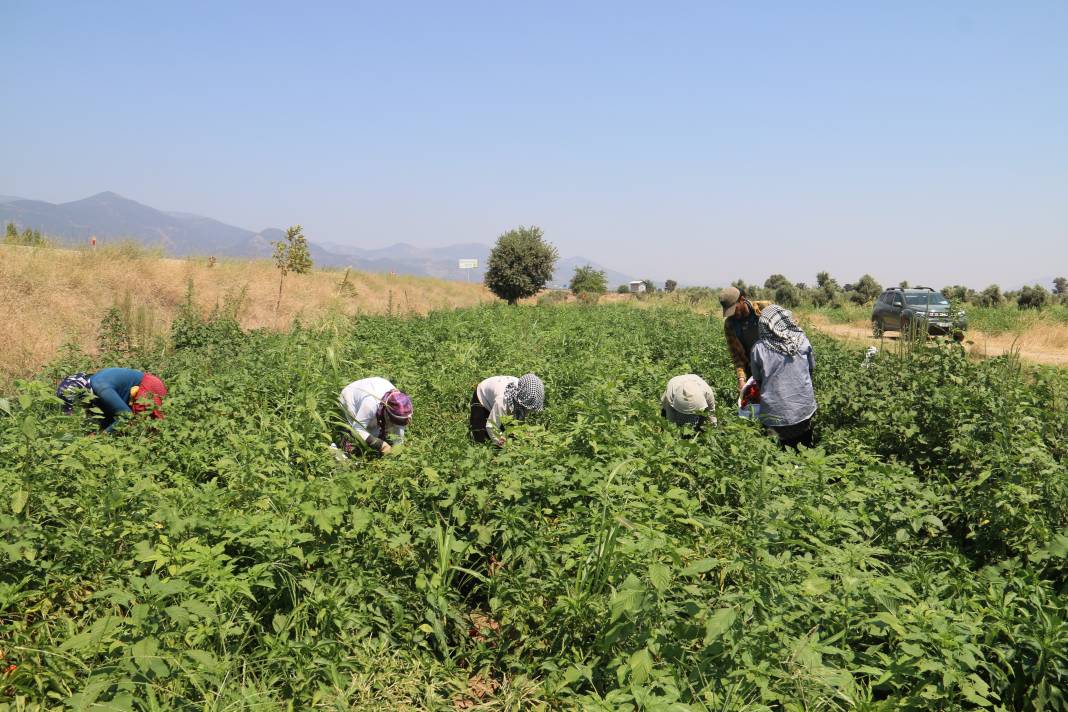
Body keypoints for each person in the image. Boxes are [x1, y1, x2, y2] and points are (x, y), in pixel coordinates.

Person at [749, 305, 817, 449]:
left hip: (774, 415)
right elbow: (810, 371)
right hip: (803, 410)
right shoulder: (802, 341)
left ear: (764, 326)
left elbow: (758, 381)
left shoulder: (759, 349)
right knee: (804, 449)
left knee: (777, 453)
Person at [56, 367, 167, 433]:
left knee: (149, 429)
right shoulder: (90, 387)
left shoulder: (100, 388)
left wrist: (103, 436)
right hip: (132, 397)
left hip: (148, 386)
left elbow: (126, 416)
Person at [338, 377, 412, 455]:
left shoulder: (401, 403)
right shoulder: (370, 404)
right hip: (350, 397)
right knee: (354, 440)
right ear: (387, 411)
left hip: (373, 390)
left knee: (374, 435)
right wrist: (382, 445)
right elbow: (357, 429)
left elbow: (399, 432)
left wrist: (397, 449)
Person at [719, 287, 772, 395]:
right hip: (753, 370)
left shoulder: (763, 308)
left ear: (742, 299)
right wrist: (741, 380)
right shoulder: (730, 325)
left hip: (774, 365)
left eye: (735, 308)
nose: (732, 313)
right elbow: (737, 356)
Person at [470, 373, 545, 446]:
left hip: (496, 394)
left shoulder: (524, 391)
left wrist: (522, 433)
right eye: (528, 408)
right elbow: (491, 426)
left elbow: (519, 420)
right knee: (480, 436)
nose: (528, 411)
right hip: (482, 396)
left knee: (510, 433)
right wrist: (505, 446)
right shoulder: (502, 400)